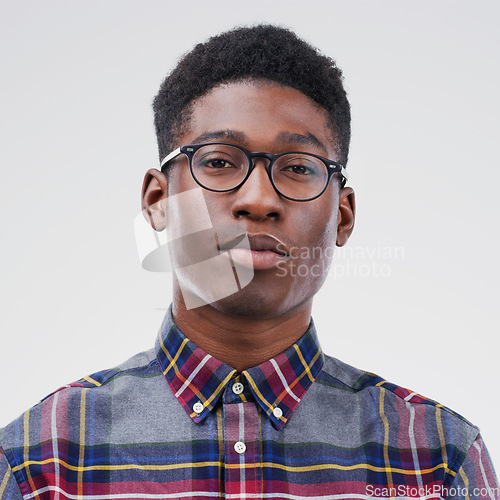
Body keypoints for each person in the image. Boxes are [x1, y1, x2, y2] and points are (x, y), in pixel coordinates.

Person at [0, 24, 497, 500]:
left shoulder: (438, 458)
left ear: (343, 216)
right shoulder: (39, 462)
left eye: (299, 168)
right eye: (219, 161)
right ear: (157, 201)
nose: (259, 200)